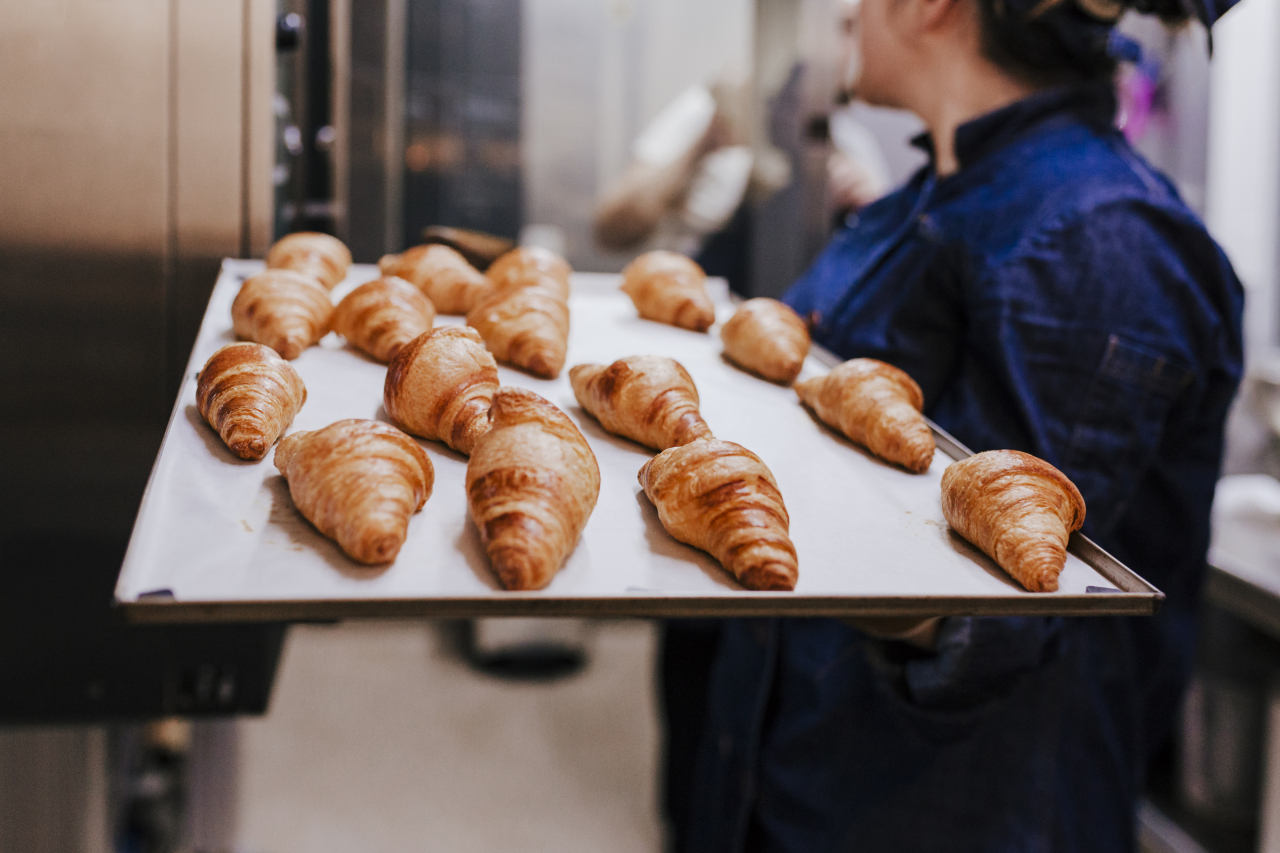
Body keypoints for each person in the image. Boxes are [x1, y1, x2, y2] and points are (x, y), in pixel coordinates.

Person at [668, 0, 1246, 849]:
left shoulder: (1094, 237)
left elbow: (992, 620)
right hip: (798, 765)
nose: (849, 12)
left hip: (943, 813)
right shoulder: (929, 195)